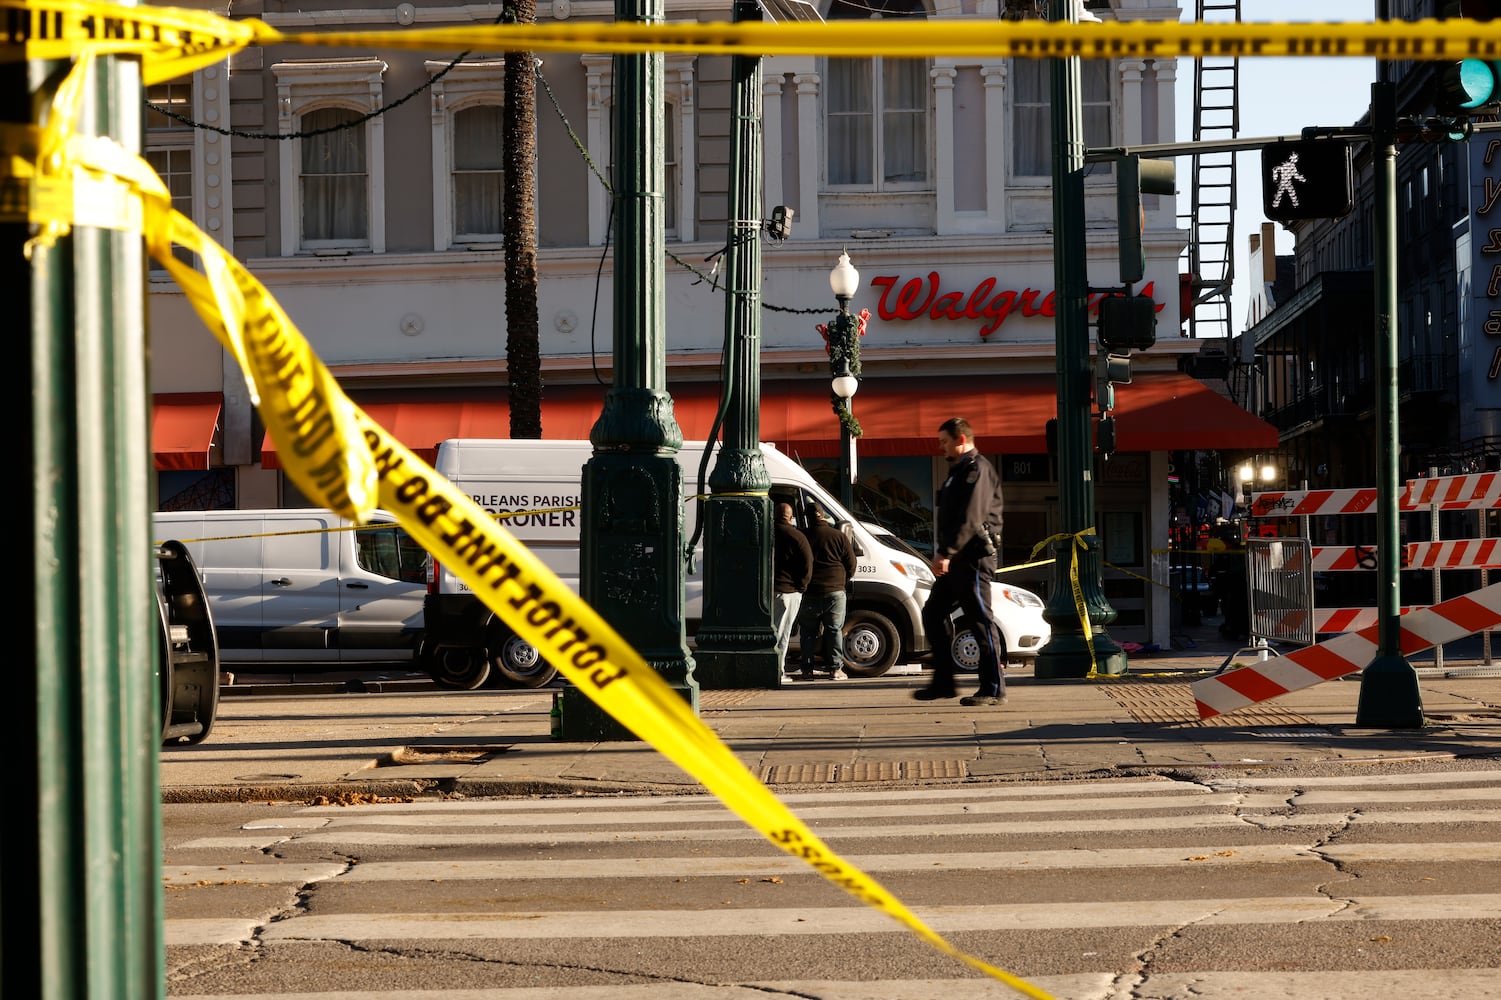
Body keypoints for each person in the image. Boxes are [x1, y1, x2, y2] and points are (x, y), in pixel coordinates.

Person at [915, 417, 1007, 707]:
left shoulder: (977, 470)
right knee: (933, 612)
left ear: (961, 439)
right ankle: (943, 681)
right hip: (957, 559)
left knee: (980, 620)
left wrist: (947, 552)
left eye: (944, 440)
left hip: (973, 559)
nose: (940, 446)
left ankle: (993, 689)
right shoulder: (957, 472)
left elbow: (972, 516)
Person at [797, 500, 857, 681]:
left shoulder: (803, 536)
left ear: (807, 518)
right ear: (823, 515)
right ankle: (835, 669)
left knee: (808, 632)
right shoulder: (838, 536)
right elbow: (851, 564)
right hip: (835, 591)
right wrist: (842, 581)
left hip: (810, 591)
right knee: (833, 630)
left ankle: (807, 670)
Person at [772, 501, 814, 679]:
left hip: (767, 591)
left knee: (769, 633)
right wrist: (802, 586)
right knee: (783, 634)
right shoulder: (797, 536)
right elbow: (808, 563)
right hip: (789, 591)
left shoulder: (767, 533)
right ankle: (777, 671)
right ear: (790, 517)